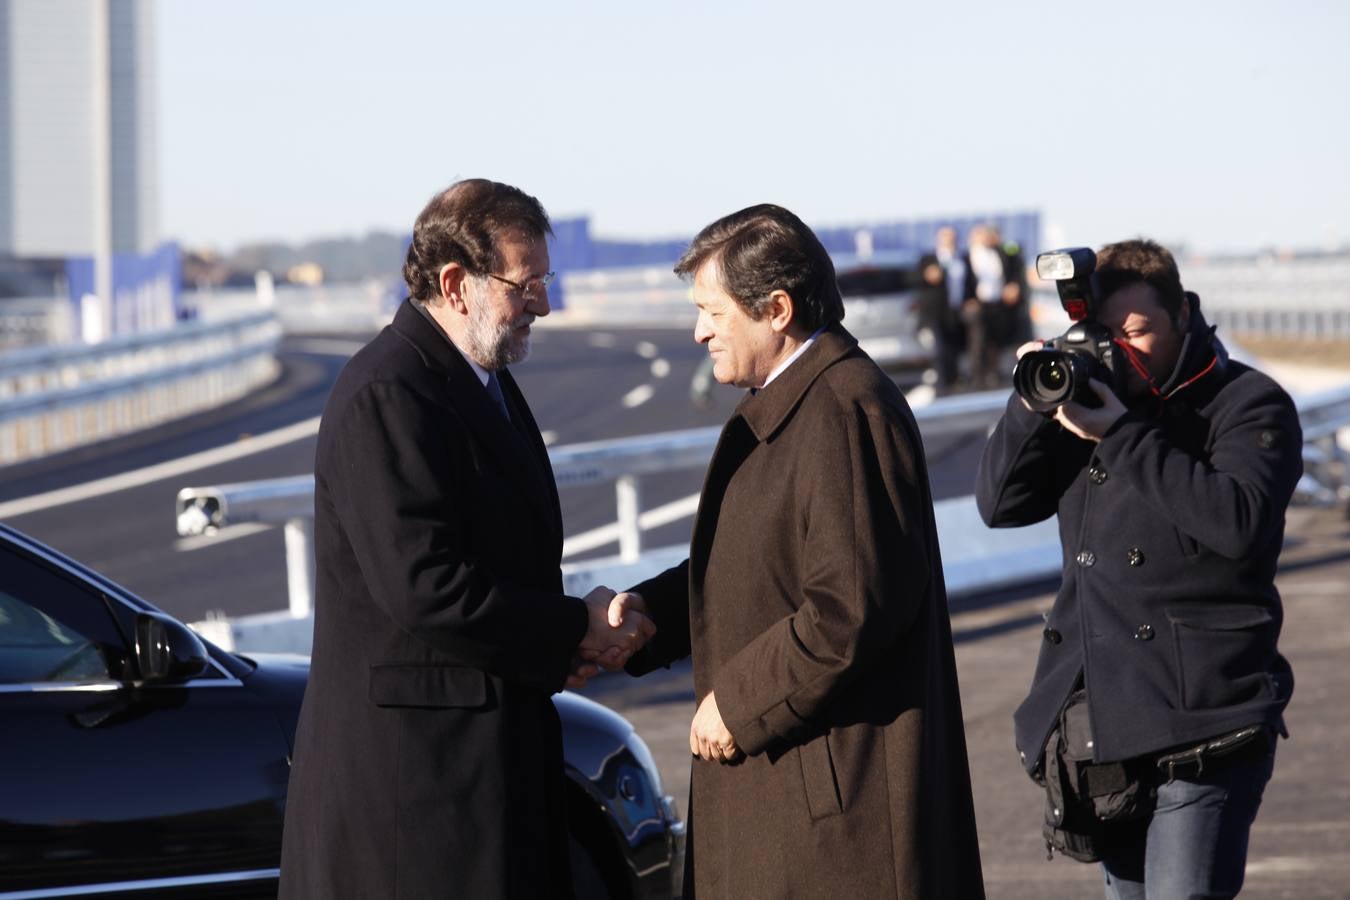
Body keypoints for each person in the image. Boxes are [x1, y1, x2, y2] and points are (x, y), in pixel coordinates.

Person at [279, 179, 654, 900]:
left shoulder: (479, 379)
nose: (543, 303)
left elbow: (502, 563)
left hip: (482, 774)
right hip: (415, 800)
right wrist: (574, 624)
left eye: (547, 280)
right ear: (456, 284)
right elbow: (430, 590)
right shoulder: (388, 394)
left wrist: (563, 642)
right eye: (528, 283)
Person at [601, 204, 985, 898]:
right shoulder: (801, 401)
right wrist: (652, 614)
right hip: (796, 801)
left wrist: (738, 703)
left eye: (713, 312)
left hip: (835, 819)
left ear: (776, 309)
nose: (699, 331)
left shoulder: (843, 409)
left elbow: (848, 608)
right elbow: (767, 566)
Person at [975, 239, 1301, 899]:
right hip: (1109, 726)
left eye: (1135, 333)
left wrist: (1120, 434)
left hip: (1208, 721)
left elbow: (1236, 522)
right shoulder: (1084, 404)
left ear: (1182, 312)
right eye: (1103, 337)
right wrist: (1033, 401)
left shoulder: (1248, 404)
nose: (1119, 352)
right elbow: (1000, 505)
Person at [917, 226, 965, 390]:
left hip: (956, 309)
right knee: (940, 347)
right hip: (936, 311)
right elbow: (919, 279)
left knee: (954, 346)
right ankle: (942, 382)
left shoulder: (961, 258)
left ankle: (955, 379)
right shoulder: (929, 258)